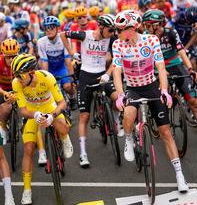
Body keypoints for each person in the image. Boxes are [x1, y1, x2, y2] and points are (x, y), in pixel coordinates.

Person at [112, 10, 189, 192]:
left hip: (151, 86)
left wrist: (164, 90)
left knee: (165, 132)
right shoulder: (118, 44)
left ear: (131, 29)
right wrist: (120, 94)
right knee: (129, 115)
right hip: (133, 89)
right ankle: (129, 138)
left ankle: (179, 175)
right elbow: (116, 71)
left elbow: (160, 67)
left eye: (120, 29)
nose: (117, 33)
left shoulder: (151, 41)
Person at [142, 9, 197, 145]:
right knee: (161, 98)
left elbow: (181, 52)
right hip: (156, 67)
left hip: (175, 64)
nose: (145, 28)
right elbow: (146, 59)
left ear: (157, 24)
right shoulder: (145, 36)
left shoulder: (170, 32)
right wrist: (160, 71)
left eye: (148, 25)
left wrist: (191, 69)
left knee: (193, 102)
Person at [61, 14, 122, 168]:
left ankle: (116, 119)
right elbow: (63, 34)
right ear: (101, 27)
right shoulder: (85, 35)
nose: (113, 32)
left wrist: (108, 74)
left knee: (118, 98)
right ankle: (83, 153)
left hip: (102, 74)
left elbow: (116, 59)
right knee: (84, 116)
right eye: (110, 30)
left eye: (114, 30)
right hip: (86, 76)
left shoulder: (112, 38)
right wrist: (71, 53)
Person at [11, 54, 73, 204]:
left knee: (62, 127)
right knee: (28, 149)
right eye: (17, 76)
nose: (18, 79)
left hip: (49, 106)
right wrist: (35, 114)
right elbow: (23, 110)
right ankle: (27, 190)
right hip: (32, 112)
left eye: (20, 76)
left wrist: (52, 116)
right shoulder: (17, 84)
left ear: (31, 73)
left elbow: (62, 103)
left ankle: (64, 139)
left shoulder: (47, 77)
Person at [38, 16, 77, 111]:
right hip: (50, 69)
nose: (49, 30)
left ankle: (72, 98)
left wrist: (71, 76)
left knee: (68, 86)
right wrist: (45, 78)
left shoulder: (63, 39)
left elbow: (68, 60)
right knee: (52, 92)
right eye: (46, 28)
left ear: (57, 28)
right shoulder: (41, 42)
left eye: (51, 27)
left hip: (61, 68)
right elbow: (44, 62)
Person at [0, 39, 19, 205]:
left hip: (17, 89)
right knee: (4, 109)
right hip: (3, 89)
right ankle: (4, 126)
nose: (11, 60)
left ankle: (9, 195)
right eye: (8, 57)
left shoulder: (20, 62)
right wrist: (4, 93)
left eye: (13, 56)